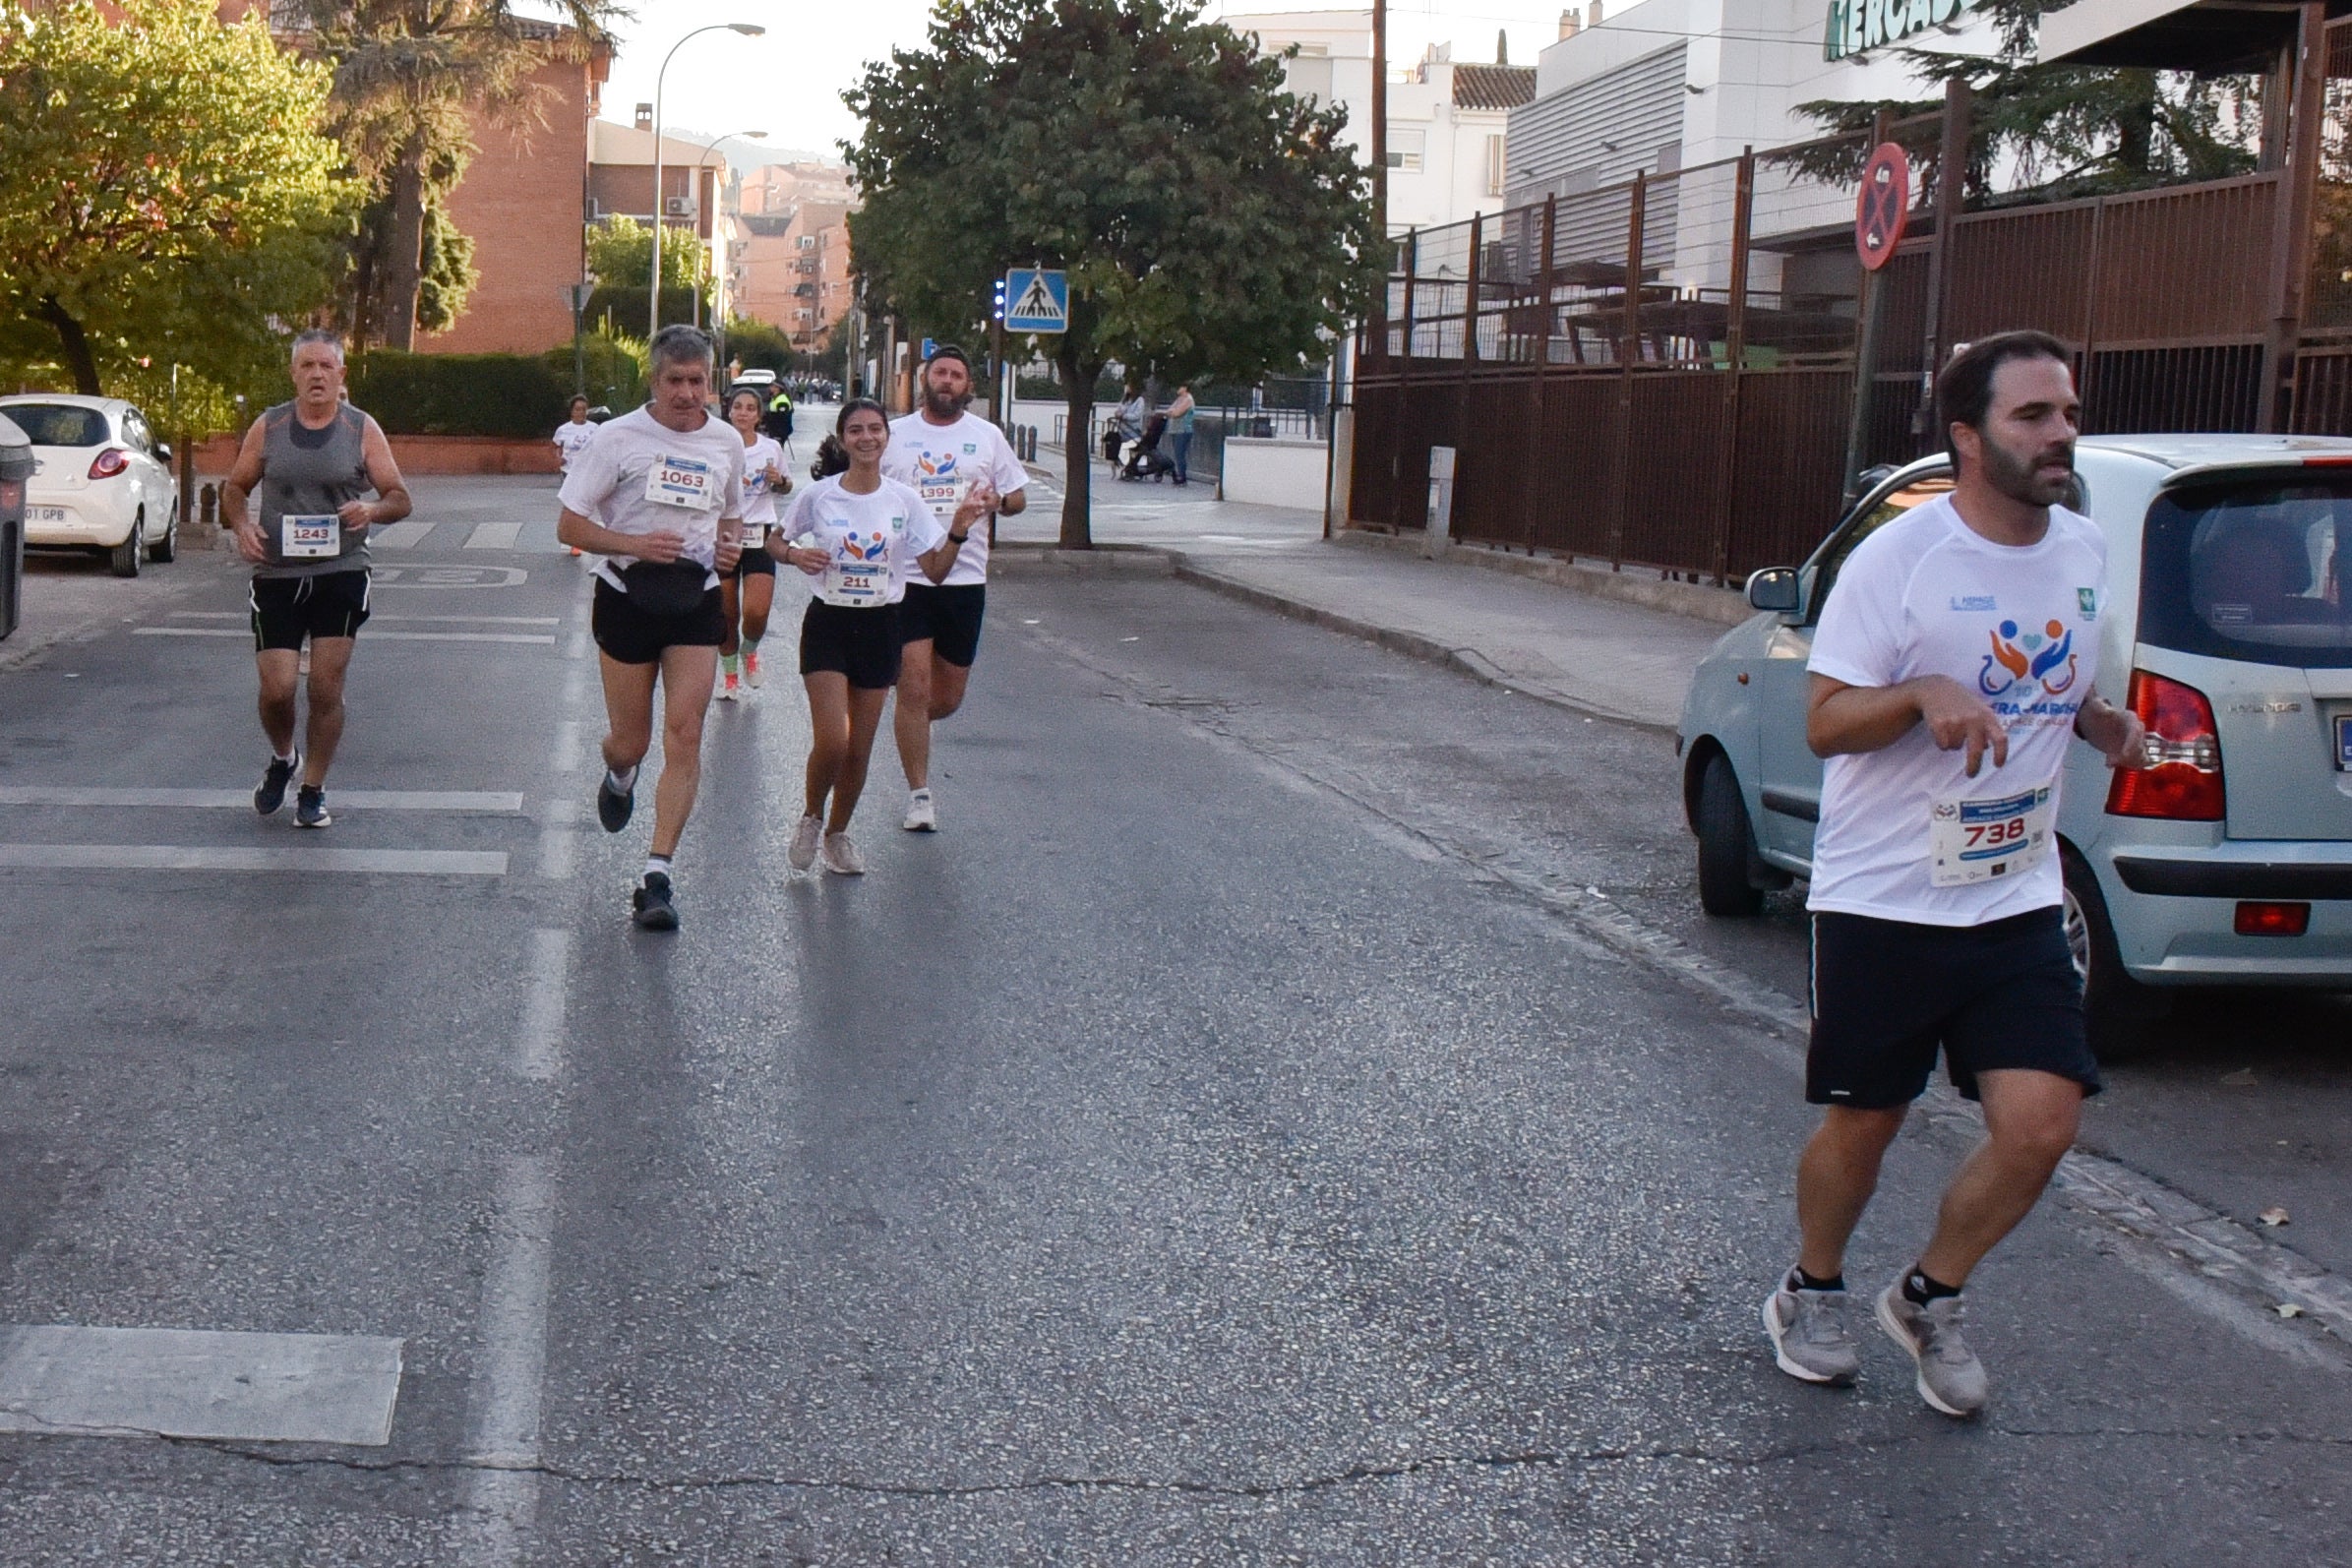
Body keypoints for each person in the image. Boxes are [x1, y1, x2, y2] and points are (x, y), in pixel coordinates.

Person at [1761, 331, 2147, 1417]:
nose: (2062, 432)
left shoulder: (2082, 549)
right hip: (1885, 896)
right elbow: (1829, 720)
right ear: (1970, 439)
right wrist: (1922, 691)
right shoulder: (1900, 559)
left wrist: (2096, 720)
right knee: (1867, 1119)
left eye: (2068, 411)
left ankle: (1930, 1294)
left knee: (2044, 1123)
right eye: (2034, 416)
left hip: (2015, 892)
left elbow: (2047, 677)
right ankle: (1812, 1287)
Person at [555, 324, 746, 932]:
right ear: (654, 381)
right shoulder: (617, 439)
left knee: (685, 734)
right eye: (675, 382)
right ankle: (618, 772)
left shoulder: (726, 442)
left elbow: (732, 518)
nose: (688, 394)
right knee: (631, 740)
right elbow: (569, 526)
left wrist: (728, 551)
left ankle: (656, 875)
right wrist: (633, 543)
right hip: (626, 595)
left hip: (695, 599)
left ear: (710, 381)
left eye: (698, 381)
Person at [774, 399, 983, 874]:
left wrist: (958, 532)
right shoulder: (821, 496)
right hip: (829, 621)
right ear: (843, 439)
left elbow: (933, 569)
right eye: (855, 430)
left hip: (881, 624)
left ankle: (837, 835)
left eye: (874, 429)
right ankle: (811, 815)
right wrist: (793, 555)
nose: (866, 438)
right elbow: (775, 539)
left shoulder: (904, 500)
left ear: (886, 437)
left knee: (860, 748)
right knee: (832, 740)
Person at [221, 330, 412, 830]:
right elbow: (235, 487)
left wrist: (371, 508)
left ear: (341, 374)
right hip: (279, 572)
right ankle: (284, 758)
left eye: (326, 366)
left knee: (326, 687)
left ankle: (314, 788)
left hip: (340, 571)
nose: (317, 375)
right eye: (307, 366)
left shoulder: (361, 428)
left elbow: (399, 496)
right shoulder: (270, 426)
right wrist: (242, 525)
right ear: (293, 373)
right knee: (278, 689)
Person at [879, 344, 1029, 832]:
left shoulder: (987, 437)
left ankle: (909, 720)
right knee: (915, 686)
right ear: (925, 379)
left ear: (968, 385)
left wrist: (997, 502)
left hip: (965, 578)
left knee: (945, 698)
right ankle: (919, 795)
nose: (946, 381)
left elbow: (1018, 498)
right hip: (910, 577)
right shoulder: (895, 435)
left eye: (956, 375)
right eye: (939, 372)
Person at [717, 386, 790, 700]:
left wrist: (780, 481)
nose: (744, 412)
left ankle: (750, 651)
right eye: (738, 407)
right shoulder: (717, 446)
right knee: (726, 613)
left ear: (758, 415)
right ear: (729, 411)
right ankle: (730, 676)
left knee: (757, 612)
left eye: (750, 408)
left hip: (759, 533)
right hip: (724, 536)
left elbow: (786, 487)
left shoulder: (771, 448)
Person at [553, 394, 599, 556]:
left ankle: (578, 536)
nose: (581, 413)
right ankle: (574, 543)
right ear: (572, 412)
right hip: (569, 471)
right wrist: (559, 458)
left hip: (587, 471)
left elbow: (600, 448)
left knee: (583, 505)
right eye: (578, 409)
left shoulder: (594, 428)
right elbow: (556, 447)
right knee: (572, 504)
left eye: (584, 409)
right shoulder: (564, 429)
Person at [1165, 385, 1196, 485]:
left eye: (1179, 387)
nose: (1177, 389)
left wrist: (1173, 412)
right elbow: (1169, 411)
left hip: (1183, 430)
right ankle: (1180, 475)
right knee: (1177, 454)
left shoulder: (1188, 400)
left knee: (1180, 454)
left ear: (1185, 388)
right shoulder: (1179, 399)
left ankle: (1182, 477)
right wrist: (1173, 412)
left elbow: (1177, 413)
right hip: (1175, 430)